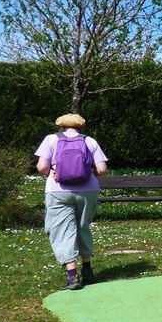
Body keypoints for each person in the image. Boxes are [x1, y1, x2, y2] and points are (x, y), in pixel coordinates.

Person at [35, 113, 109, 290]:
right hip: (88, 191)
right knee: (82, 227)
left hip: (59, 191)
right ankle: (87, 269)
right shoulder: (89, 141)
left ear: (60, 126)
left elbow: (42, 166)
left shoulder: (51, 139)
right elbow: (102, 169)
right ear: (80, 127)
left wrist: (49, 173)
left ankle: (72, 276)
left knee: (62, 230)